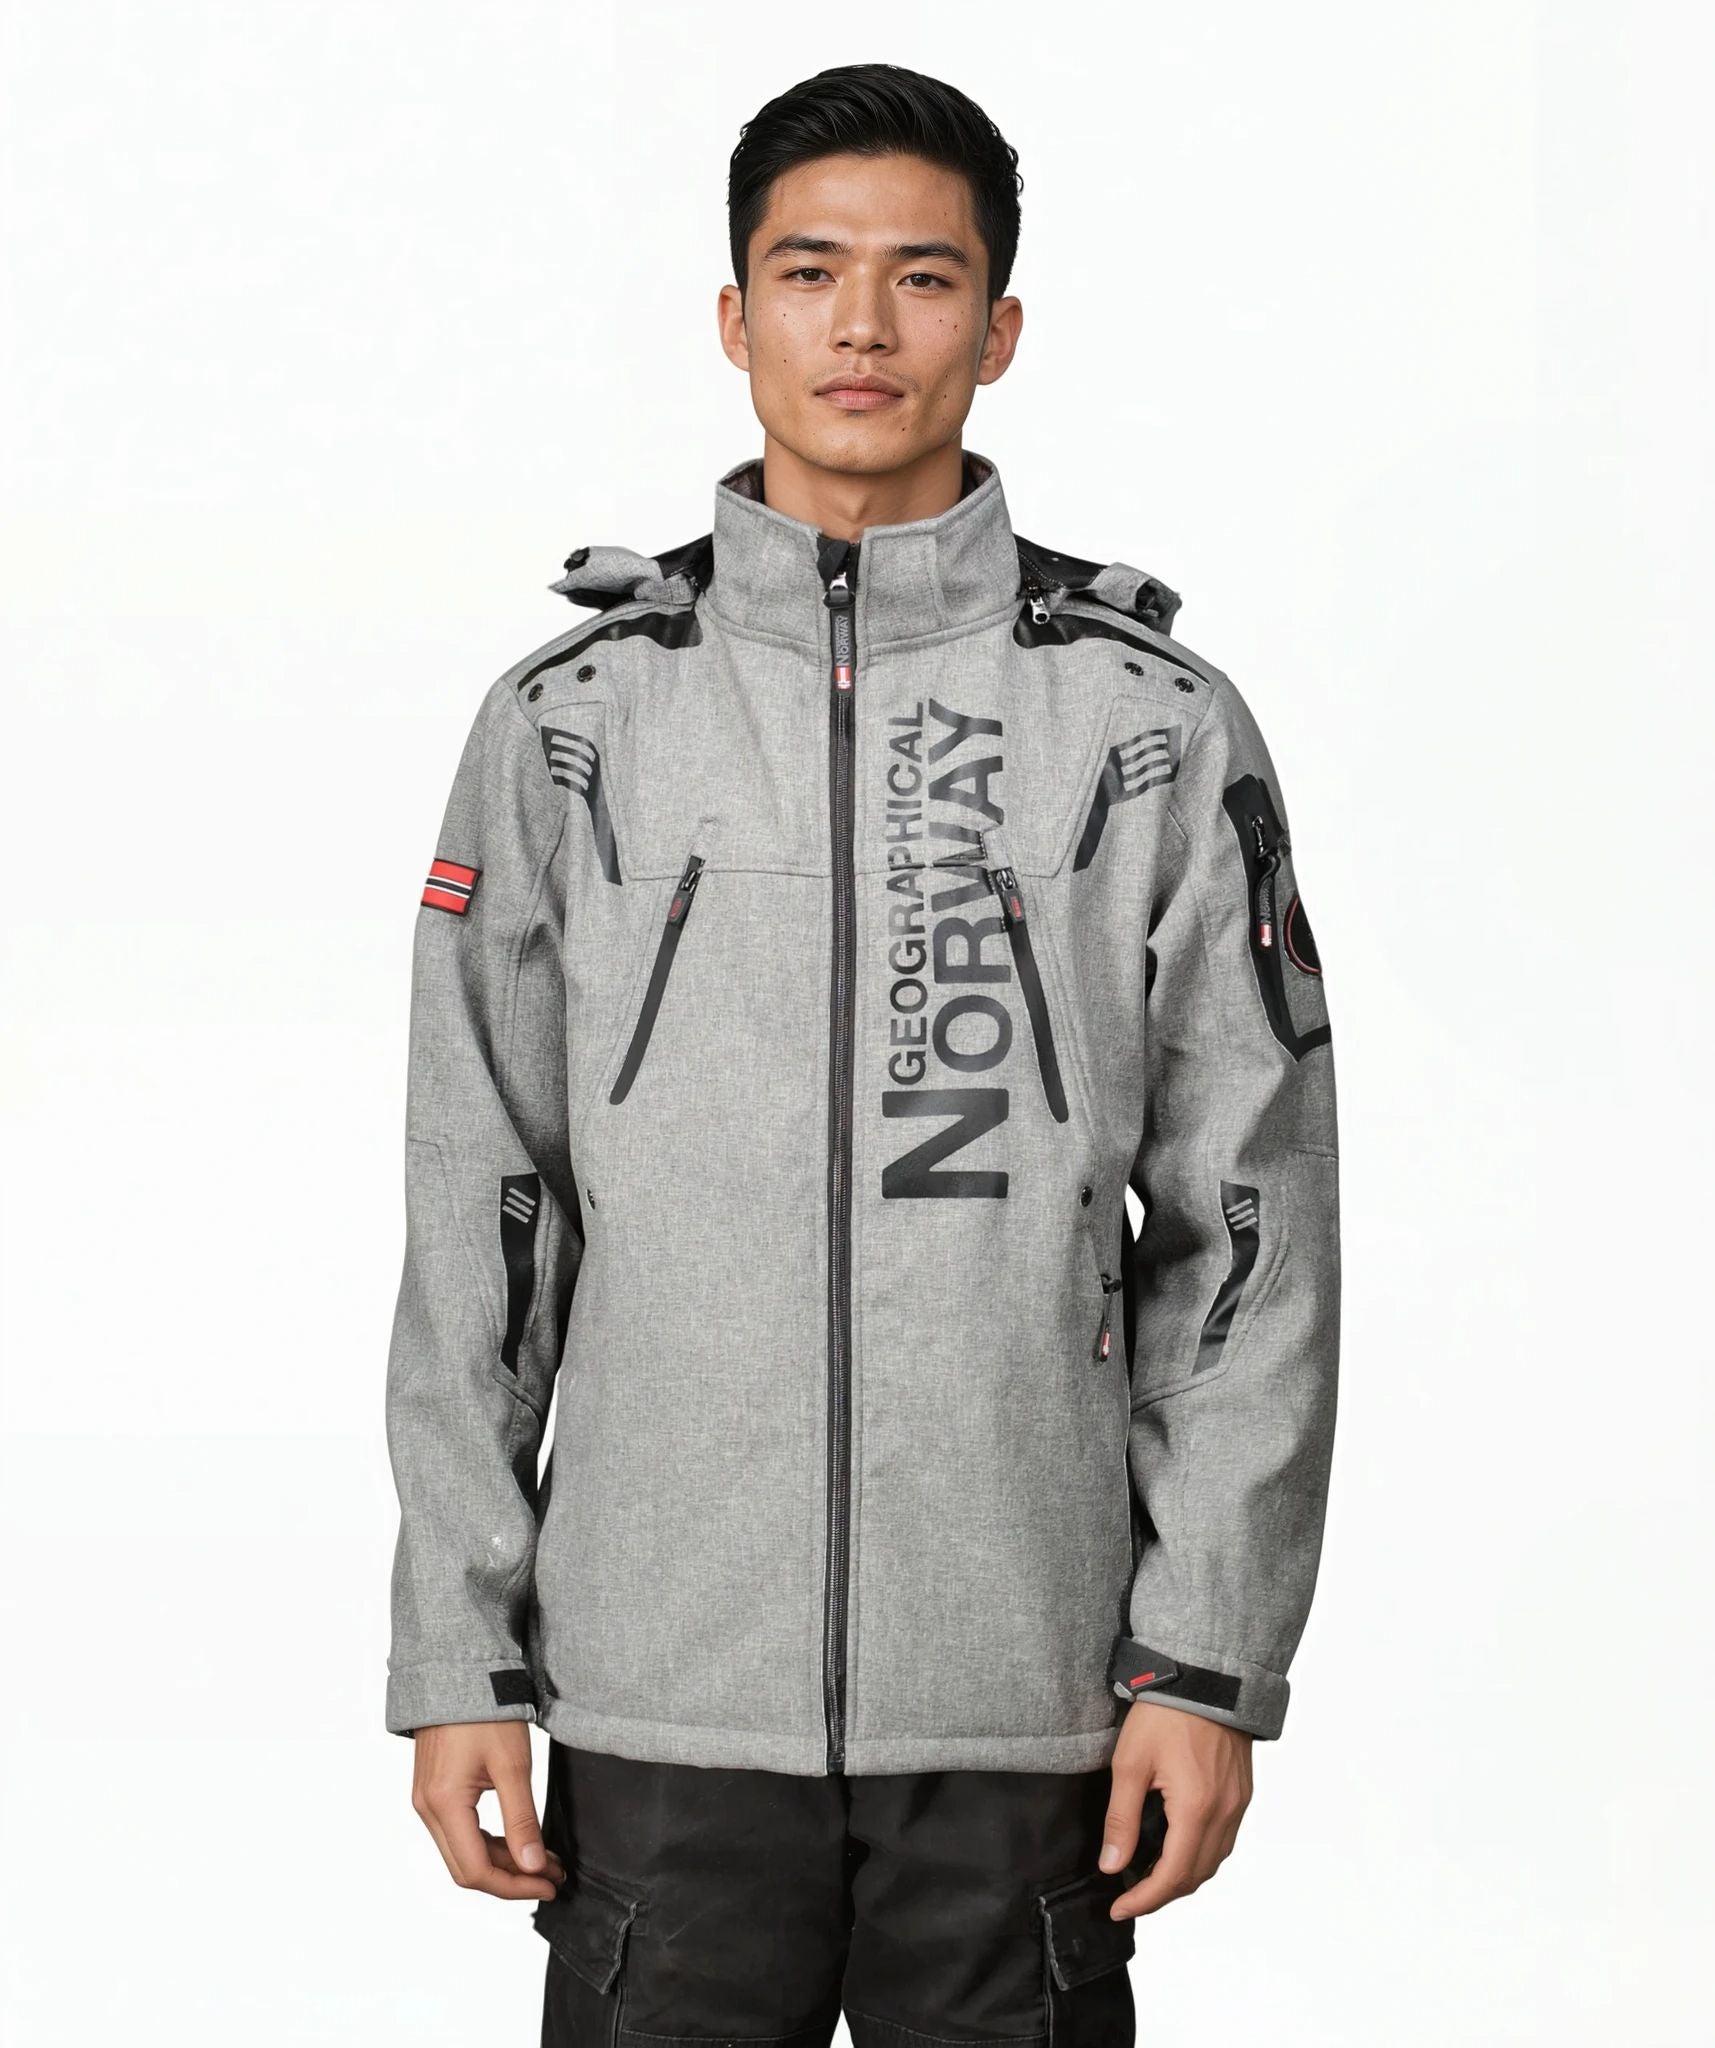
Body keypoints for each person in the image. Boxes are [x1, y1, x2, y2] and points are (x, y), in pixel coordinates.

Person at [383, 61, 1341, 2048]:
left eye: (924, 277)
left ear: (1000, 327)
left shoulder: (1148, 727)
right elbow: (483, 1204)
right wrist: (457, 1643)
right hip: (663, 1695)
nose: (864, 327)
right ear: (735, 317)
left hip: (1029, 1694)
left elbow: (1250, 1222)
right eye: (812, 274)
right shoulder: (573, 725)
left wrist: (1207, 1657)